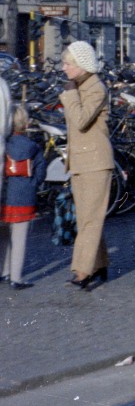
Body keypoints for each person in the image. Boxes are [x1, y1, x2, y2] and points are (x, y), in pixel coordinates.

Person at [60, 41, 113, 290]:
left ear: (81, 66)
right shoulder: (81, 86)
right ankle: (100, 265)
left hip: (96, 161)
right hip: (81, 161)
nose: (63, 69)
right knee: (87, 218)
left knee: (90, 220)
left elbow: (81, 120)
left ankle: (82, 270)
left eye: (68, 64)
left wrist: (70, 94)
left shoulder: (95, 89)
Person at [1, 104, 46, 290]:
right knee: (19, 238)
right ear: (25, 124)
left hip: (5, 193)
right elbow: (41, 171)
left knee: (3, 236)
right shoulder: (33, 147)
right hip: (25, 194)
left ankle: (3, 271)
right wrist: (32, 183)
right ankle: (16, 277)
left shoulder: (4, 145)